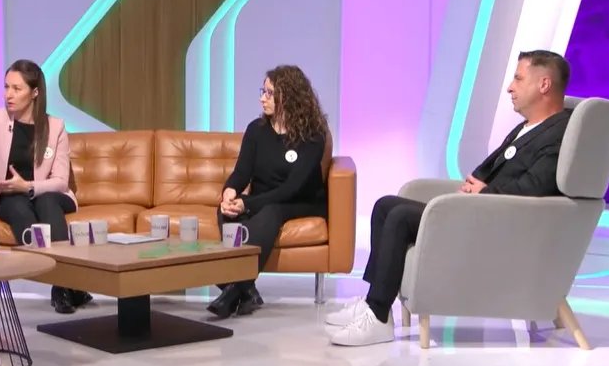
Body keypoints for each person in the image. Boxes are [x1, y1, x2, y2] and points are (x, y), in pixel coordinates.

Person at [328, 50, 574, 346]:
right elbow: (489, 169)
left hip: (499, 223)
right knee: (385, 206)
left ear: (544, 84)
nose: (510, 87)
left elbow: (535, 186)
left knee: (400, 217)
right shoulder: (526, 127)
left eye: (519, 79)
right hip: (480, 211)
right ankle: (373, 301)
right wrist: (476, 185)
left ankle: (379, 317)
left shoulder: (559, 132)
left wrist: (485, 192)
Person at [0, 59, 91, 314]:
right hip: (9, 196)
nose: (8, 94)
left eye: (16, 89)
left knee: (45, 201)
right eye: (6, 87)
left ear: (35, 92)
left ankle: (62, 284)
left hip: (50, 193)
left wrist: (27, 186)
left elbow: (60, 181)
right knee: (18, 207)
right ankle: (69, 287)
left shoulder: (55, 127)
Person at [208, 65, 331, 319]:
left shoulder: (313, 136)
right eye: (262, 91)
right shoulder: (256, 130)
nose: (262, 98)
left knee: (271, 211)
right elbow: (242, 172)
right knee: (227, 211)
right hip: (264, 199)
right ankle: (246, 290)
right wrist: (230, 191)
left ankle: (234, 289)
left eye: (269, 93)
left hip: (300, 201)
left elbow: (291, 188)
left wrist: (248, 204)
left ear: (289, 97)